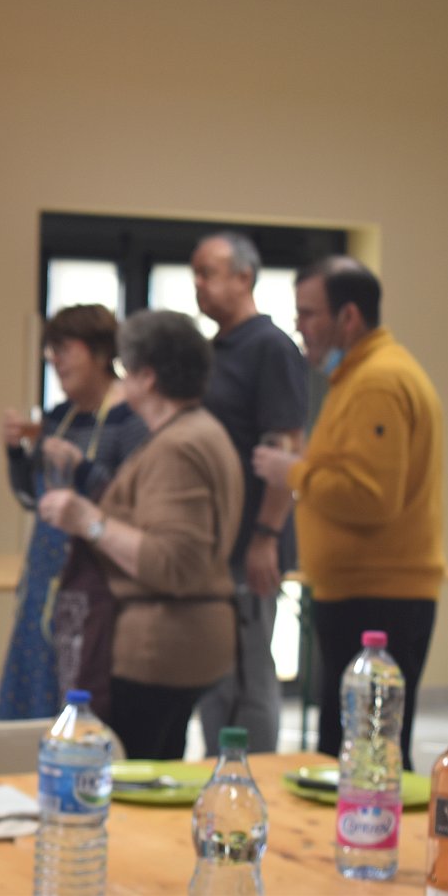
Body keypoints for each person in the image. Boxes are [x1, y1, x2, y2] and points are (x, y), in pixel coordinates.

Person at [253, 258, 443, 766]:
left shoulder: (377, 382)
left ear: (349, 317)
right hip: (362, 590)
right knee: (350, 754)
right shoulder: (358, 377)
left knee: (366, 759)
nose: (299, 326)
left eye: (309, 313)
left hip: (378, 597)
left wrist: (294, 473)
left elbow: (371, 498)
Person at [39, 310, 243, 759]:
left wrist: (89, 521)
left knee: (129, 783)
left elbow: (172, 562)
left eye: (125, 369)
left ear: (148, 378)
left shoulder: (177, 447)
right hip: (186, 642)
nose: (120, 379)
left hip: (158, 648)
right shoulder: (203, 431)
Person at [0, 304, 147, 720]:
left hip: (94, 583)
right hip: (44, 579)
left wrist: (81, 468)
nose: (54, 360)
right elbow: (31, 498)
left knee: (78, 694)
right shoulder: (59, 418)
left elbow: (131, 507)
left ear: (100, 352)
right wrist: (15, 453)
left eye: (65, 349)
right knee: (32, 696)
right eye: (51, 351)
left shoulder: (129, 422)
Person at [191, 232, 307, 756]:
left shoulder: (270, 347)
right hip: (213, 545)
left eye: (208, 272)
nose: (199, 284)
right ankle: (218, 779)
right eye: (194, 274)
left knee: (249, 679)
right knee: (215, 677)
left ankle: (251, 782)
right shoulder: (217, 349)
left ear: (244, 277)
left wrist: (266, 536)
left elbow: (287, 447)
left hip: (251, 544)